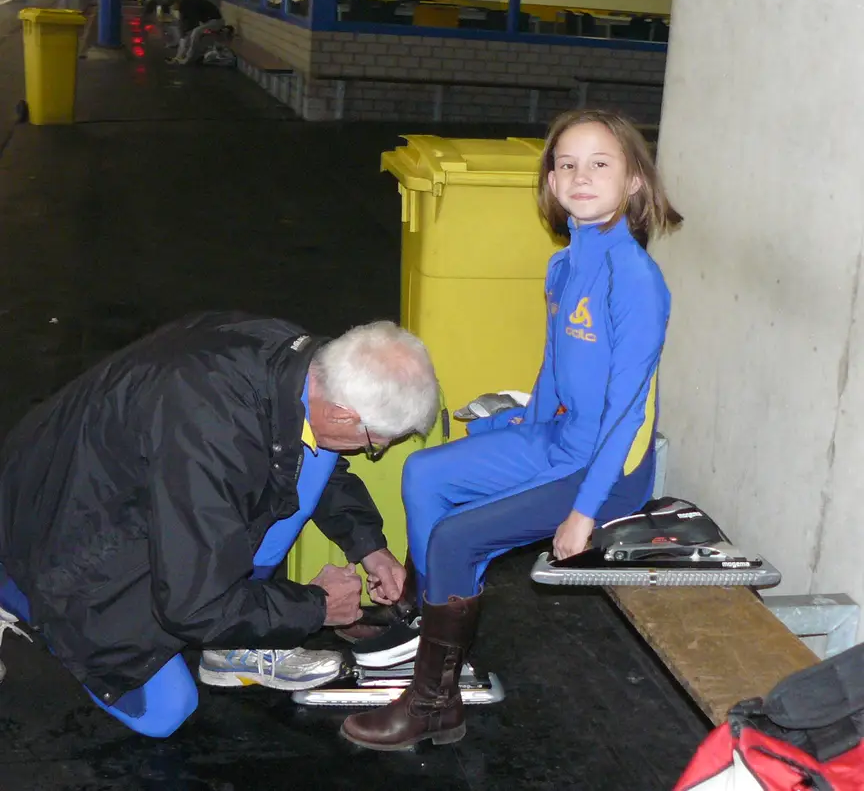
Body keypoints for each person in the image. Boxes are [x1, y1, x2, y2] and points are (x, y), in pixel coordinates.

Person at [340, 109, 684, 751]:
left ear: (634, 180)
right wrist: (515, 421)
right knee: (424, 471)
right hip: (559, 439)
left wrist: (584, 513)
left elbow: (629, 409)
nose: (581, 176)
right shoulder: (565, 266)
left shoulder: (635, 280)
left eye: (600, 163)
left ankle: (434, 701)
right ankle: (425, 622)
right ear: (551, 183)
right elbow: (555, 369)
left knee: (455, 536)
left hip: (606, 473)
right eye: (566, 164)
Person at [0, 312, 439, 738]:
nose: (369, 451)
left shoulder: (301, 366)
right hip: (59, 541)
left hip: (104, 483)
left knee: (316, 458)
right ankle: (18, 594)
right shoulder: (209, 437)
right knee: (165, 712)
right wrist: (315, 607)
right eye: (374, 444)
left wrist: (368, 545)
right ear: (344, 414)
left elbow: (304, 458)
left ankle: (237, 642)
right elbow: (191, 607)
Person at [155, 0, 224, 66]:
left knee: (195, 32)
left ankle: (189, 58)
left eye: (172, 5)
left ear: (177, 1)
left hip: (216, 22)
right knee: (185, 35)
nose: (172, 8)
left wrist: (185, 39)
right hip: (207, 22)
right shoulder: (183, 5)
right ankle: (179, 57)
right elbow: (182, 26)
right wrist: (179, 53)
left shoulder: (190, 4)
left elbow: (192, 25)